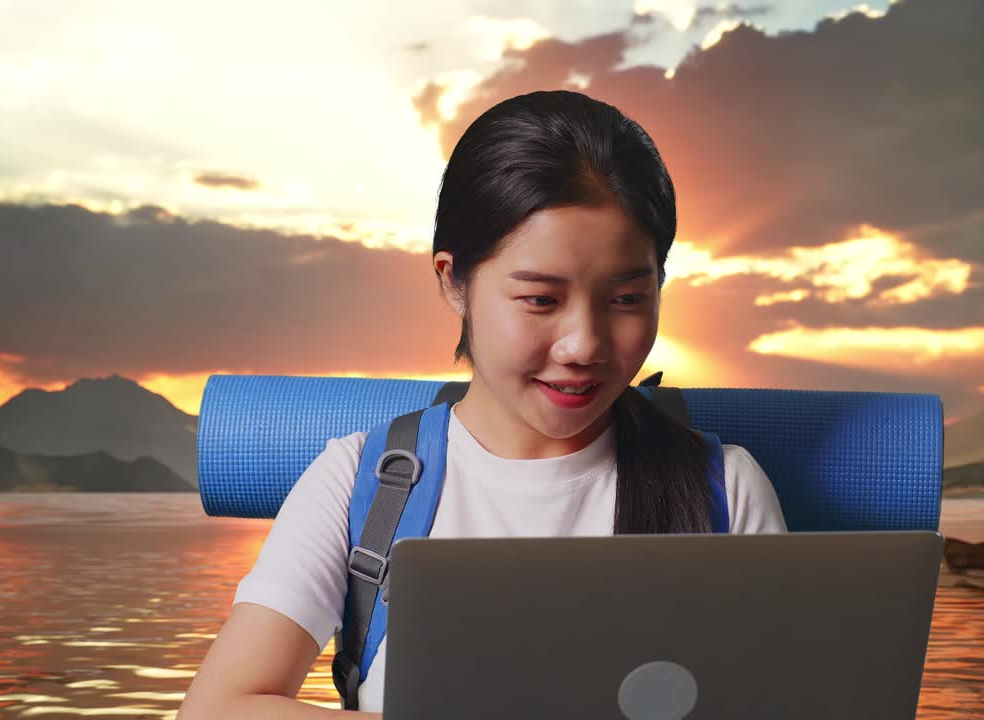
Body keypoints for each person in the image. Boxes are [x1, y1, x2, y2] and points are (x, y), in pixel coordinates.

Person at [178, 89, 787, 719]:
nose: (584, 346)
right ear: (453, 281)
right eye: (540, 300)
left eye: (627, 300)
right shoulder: (367, 486)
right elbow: (218, 708)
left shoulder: (723, 492)